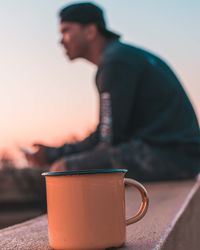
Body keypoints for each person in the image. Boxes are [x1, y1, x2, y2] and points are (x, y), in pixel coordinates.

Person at [24, 2, 200, 182]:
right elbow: (108, 133)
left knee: (64, 169)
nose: (61, 40)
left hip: (172, 157)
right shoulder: (123, 56)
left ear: (90, 31)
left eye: (66, 31)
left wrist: (55, 156)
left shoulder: (115, 63)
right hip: (180, 155)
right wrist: (52, 152)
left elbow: (108, 139)